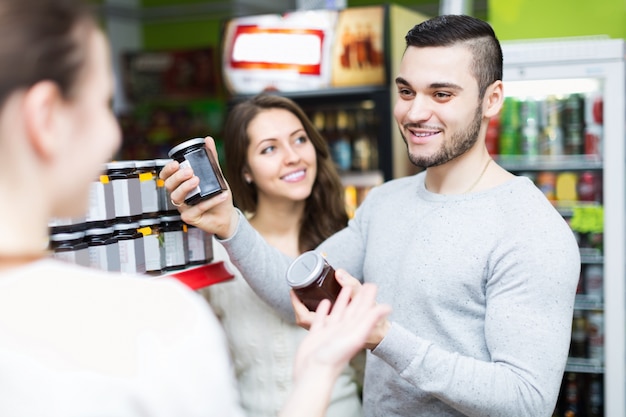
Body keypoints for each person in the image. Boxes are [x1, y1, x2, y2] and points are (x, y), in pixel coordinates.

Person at [161, 14, 581, 417]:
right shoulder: (386, 202)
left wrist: (382, 337)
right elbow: (298, 296)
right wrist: (229, 223)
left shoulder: (530, 229)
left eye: (441, 94)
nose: (415, 113)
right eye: (406, 91)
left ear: (492, 100)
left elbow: (527, 401)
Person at [0, 0, 391, 416]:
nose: (115, 132)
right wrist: (318, 370)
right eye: (103, 104)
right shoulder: (157, 317)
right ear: (44, 118)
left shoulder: (352, 235)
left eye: (299, 140)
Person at [200, 94, 364, 417]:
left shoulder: (348, 242)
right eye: (269, 148)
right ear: (245, 170)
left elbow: (368, 364)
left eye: (299, 139)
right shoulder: (219, 253)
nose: (292, 157)